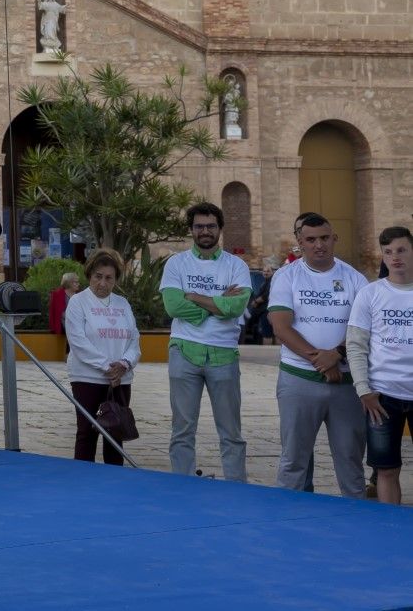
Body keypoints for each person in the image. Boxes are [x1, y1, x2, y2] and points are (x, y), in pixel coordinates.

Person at [266, 213, 367, 497]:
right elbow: (281, 327)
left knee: (350, 460)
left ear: (334, 239)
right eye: (311, 240)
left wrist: (336, 354)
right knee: (294, 460)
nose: (319, 245)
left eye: (324, 238)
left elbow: (364, 328)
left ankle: (357, 521)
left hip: (346, 384)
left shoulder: (355, 279)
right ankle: (289, 521)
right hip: (298, 380)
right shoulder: (287, 276)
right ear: (300, 243)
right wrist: (320, 361)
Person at [160, 202, 251, 481]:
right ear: (191, 230)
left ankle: (236, 485)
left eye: (211, 226)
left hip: (223, 354)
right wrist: (217, 302)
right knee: (183, 428)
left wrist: (195, 296)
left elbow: (236, 307)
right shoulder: (176, 263)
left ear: (220, 229)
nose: (205, 231)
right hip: (184, 351)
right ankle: (183, 484)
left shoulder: (237, 265)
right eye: (199, 226)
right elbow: (173, 307)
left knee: (231, 431)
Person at [347, 226, 413, 506]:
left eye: (401, 250)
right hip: (383, 396)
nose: (395, 257)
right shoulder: (370, 294)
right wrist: (363, 389)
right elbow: (356, 344)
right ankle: (391, 527)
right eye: (388, 252)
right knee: (386, 469)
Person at [64, 249, 140, 465]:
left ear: (116, 280)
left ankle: (114, 483)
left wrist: (124, 364)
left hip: (120, 380)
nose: (103, 283)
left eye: (109, 278)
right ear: (89, 275)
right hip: (88, 378)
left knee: (115, 433)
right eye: (98, 276)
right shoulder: (78, 303)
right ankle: (82, 481)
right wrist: (109, 367)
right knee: (87, 432)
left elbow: (134, 340)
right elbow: (78, 342)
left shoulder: (122, 304)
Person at [47, 272, 80, 354]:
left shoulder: (79, 296)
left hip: (77, 321)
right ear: (69, 283)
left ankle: (72, 353)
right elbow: (57, 313)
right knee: (72, 327)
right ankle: (70, 353)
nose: (78, 284)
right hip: (64, 321)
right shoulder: (57, 294)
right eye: (75, 282)